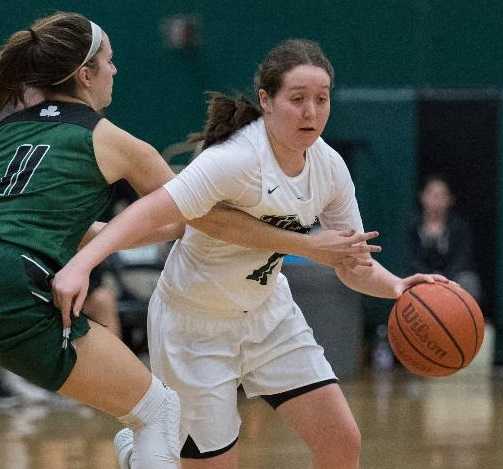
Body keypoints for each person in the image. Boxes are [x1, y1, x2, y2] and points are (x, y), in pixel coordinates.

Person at [0, 15, 379, 469]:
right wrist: (310, 245)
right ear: (85, 75)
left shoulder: (8, 132)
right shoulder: (113, 141)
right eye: (110, 61)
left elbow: (28, 216)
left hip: (255, 312)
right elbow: (196, 217)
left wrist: (98, 237)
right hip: (40, 294)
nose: (116, 71)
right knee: (157, 413)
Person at [52, 38, 448, 469]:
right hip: (195, 328)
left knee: (341, 442)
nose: (311, 112)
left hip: (268, 316)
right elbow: (153, 212)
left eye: (321, 99)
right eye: (297, 99)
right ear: (267, 100)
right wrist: (81, 263)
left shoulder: (330, 168)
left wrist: (397, 286)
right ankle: (139, 453)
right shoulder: (235, 159)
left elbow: (351, 264)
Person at [408, 174, 481, 300]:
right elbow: (410, 259)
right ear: (422, 197)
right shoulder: (413, 226)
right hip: (422, 278)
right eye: (432, 194)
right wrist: (430, 277)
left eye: (441, 195)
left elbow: (463, 259)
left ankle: (466, 318)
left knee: (469, 281)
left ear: (450, 199)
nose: (436, 199)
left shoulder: (459, 227)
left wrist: (444, 278)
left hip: (452, 279)